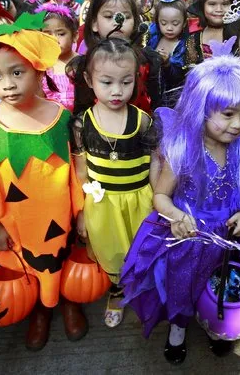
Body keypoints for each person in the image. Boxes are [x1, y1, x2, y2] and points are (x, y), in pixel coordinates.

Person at [0, 15, 86, 351]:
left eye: (16, 73)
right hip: (17, 220)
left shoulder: (60, 118)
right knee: (29, 264)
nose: (7, 84)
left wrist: (81, 211)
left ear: (38, 72)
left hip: (59, 214)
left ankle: (69, 301)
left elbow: (77, 170)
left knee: (63, 257)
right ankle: (39, 308)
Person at [121, 53, 240, 364]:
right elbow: (160, 197)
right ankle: (179, 326)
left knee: (222, 282)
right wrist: (178, 216)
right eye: (228, 114)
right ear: (202, 110)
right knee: (183, 287)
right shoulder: (184, 151)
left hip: (227, 239)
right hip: (191, 239)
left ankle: (218, 324)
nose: (238, 124)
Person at [72, 38, 156, 328]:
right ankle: (117, 292)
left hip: (139, 201)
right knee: (112, 252)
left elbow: (155, 163)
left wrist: (160, 200)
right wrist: (81, 210)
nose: (117, 91)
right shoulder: (83, 124)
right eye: (106, 82)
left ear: (136, 79)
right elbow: (81, 169)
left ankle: (145, 290)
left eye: (126, 82)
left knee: (142, 249)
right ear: (89, 79)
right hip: (103, 203)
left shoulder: (143, 121)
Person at [68, 0, 161, 115]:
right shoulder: (84, 64)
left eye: (126, 17)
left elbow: (157, 104)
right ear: (94, 23)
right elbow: (81, 109)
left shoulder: (148, 60)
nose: (118, 22)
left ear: (135, 21)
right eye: (109, 16)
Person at [147, 0, 188, 107]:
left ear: (184, 23)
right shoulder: (152, 39)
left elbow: (181, 77)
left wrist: (167, 64)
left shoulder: (185, 46)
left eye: (175, 23)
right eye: (163, 23)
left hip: (173, 101)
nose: (169, 28)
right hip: (151, 97)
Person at [184, 0, 235, 66]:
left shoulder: (239, 34)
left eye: (225, 4)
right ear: (202, 6)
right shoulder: (194, 39)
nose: (219, 9)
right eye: (212, 4)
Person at [38, 4, 78, 112]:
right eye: (47, 34)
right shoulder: (42, 67)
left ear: (75, 36)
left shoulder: (84, 63)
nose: (54, 39)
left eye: (60, 34)